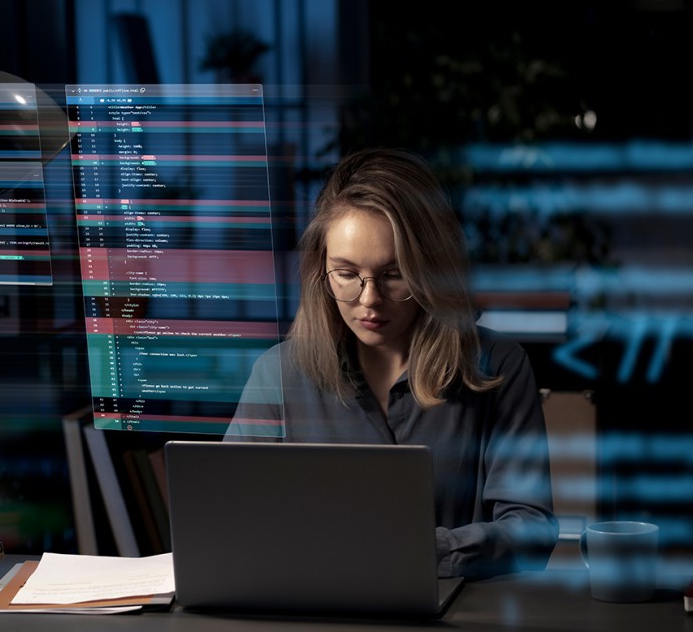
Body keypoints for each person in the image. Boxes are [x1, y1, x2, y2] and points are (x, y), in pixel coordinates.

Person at [224, 147, 559, 579]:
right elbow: (229, 521)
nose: (369, 300)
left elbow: (531, 531)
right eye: (346, 274)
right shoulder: (278, 375)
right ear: (319, 271)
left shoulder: (497, 366)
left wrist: (418, 550)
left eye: (394, 274)